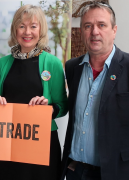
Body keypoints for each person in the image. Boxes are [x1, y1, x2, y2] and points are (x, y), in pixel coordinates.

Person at [0, 4, 68, 180]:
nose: (27, 32)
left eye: (33, 26)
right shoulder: (2, 64)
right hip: (9, 143)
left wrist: (48, 108)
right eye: (22, 26)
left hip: (43, 144)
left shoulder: (53, 63)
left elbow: (62, 106)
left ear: (40, 30)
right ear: (15, 29)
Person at [61, 1, 129, 180]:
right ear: (81, 31)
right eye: (88, 26)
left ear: (114, 30)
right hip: (75, 171)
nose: (94, 32)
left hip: (115, 173)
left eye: (101, 25)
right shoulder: (72, 67)